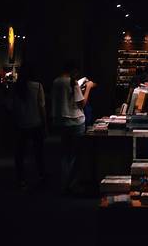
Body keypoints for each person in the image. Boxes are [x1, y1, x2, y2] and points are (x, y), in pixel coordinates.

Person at [52, 60, 94, 193]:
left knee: (65, 154)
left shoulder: (56, 81)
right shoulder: (72, 82)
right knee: (76, 155)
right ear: (74, 71)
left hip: (62, 121)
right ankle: (72, 184)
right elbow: (82, 103)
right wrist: (88, 87)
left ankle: (64, 183)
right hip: (76, 121)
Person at [11, 64, 47, 188]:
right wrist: (45, 125)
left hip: (21, 123)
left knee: (20, 153)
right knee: (38, 152)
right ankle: (41, 175)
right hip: (36, 123)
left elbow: (12, 106)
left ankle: (21, 179)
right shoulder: (37, 86)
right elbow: (41, 107)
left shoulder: (16, 87)